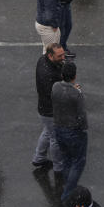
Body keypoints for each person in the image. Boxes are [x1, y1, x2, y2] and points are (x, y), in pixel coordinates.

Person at [53, 62, 88, 200]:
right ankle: (68, 193)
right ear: (75, 75)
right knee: (78, 162)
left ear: (62, 75)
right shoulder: (76, 94)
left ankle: (68, 185)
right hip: (74, 131)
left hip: (58, 128)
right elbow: (81, 115)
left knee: (66, 160)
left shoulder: (55, 87)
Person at [34, 42, 65, 170]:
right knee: (55, 139)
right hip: (50, 111)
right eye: (60, 56)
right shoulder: (48, 74)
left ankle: (39, 157)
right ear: (51, 56)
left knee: (48, 132)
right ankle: (58, 166)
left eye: (63, 54)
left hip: (44, 109)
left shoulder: (43, 60)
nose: (63, 58)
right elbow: (53, 94)